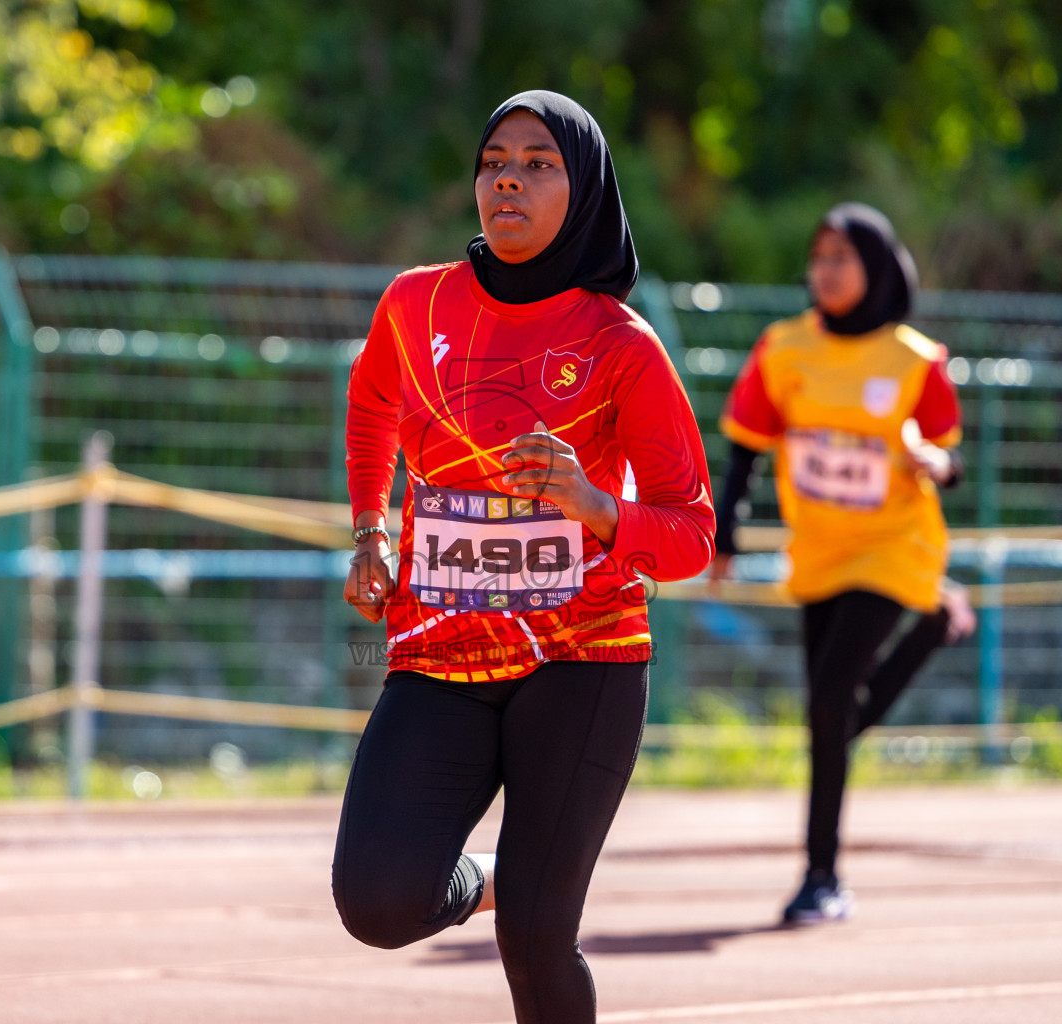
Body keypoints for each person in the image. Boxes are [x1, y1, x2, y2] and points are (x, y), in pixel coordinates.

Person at [332, 90, 714, 1023]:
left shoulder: (621, 345)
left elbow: (693, 533)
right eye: (494, 158)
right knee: (377, 899)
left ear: (581, 189)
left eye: (539, 161)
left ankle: (533, 885)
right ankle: (501, 872)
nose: (508, 175)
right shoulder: (413, 302)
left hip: (581, 661)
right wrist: (370, 531)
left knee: (537, 941)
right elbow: (373, 402)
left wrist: (590, 501)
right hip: (441, 651)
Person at [709, 202, 976, 925]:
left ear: (878, 266)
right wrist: (725, 531)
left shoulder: (916, 360)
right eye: (817, 257)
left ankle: (821, 876)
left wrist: (936, 463)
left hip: (895, 546)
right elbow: (746, 442)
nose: (824, 270)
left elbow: (951, 458)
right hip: (818, 550)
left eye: (841, 257)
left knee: (828, 707)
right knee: (829, 715)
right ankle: (936, 624)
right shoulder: (783, 347)